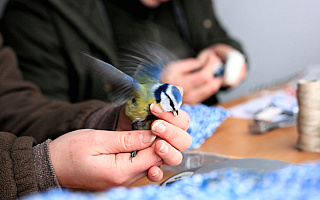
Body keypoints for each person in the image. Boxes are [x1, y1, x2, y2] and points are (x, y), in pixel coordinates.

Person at [0, 34, 192, 199]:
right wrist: (40, 166)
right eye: (170, 105)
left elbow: (11, 103)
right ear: (162, 96)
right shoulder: (142, 91)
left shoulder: (158, 94)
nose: (173, 110)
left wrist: (106, 121)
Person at [0, 0, 247, 105]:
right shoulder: (36, 14)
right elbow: (41, 126)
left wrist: (227, 54)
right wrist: (151, 95)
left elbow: (216, 37)